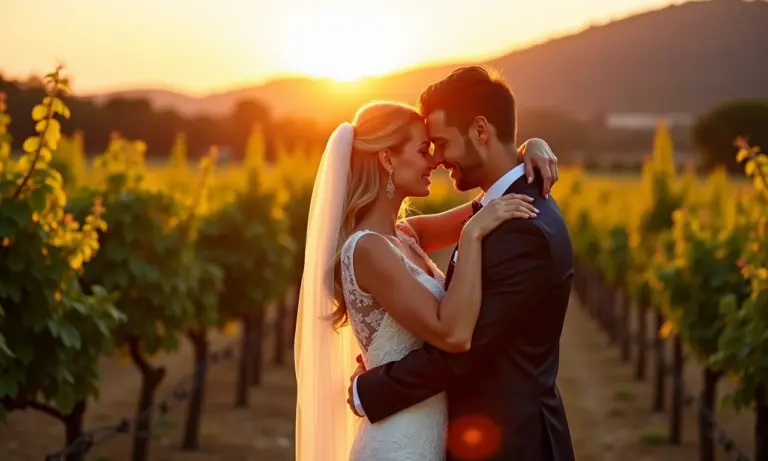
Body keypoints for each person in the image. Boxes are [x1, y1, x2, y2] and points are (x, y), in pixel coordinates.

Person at [294, 72, 564, 460]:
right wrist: (471, 237)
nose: (435, 160)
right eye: (424, 150)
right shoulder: (369, 250)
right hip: (398, 441)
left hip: (429, 432)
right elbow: (452, 335)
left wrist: (527, 149)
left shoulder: (406, 236)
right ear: (387, 157)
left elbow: (494, 196)